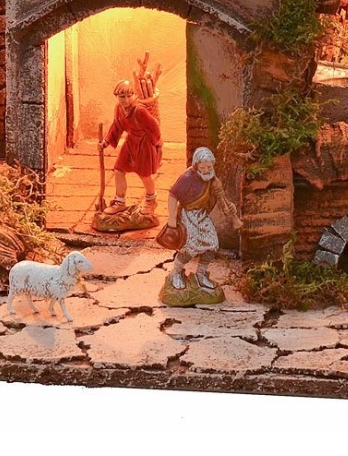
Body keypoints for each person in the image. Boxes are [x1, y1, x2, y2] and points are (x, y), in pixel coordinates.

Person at [163, 147, 241, 303]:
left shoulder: (213, 180)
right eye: (203, 168)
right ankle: (176, 273)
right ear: (196, 166)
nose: (206, 170)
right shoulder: (187, 178)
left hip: (202, 215)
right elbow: (173, 195)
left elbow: (220, 199)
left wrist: (229, 207)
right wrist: (171, 219)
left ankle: (201, 274)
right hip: (188, 215)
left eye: (209, 167)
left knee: (212, 244)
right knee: (189, 247)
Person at [99, 78, 163, 217]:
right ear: (117, 96)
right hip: (130, 143)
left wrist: (157, 146)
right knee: (119, 170)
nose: (126, 100)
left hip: (144, 144)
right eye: (122, 96)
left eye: (129, 96)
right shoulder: (119, 109)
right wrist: (106, 142)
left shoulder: (139, 111)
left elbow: (154, 128)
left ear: (134, 95)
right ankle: (120, 202)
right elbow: (117, 126)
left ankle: (151, 200)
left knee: (144, 174)